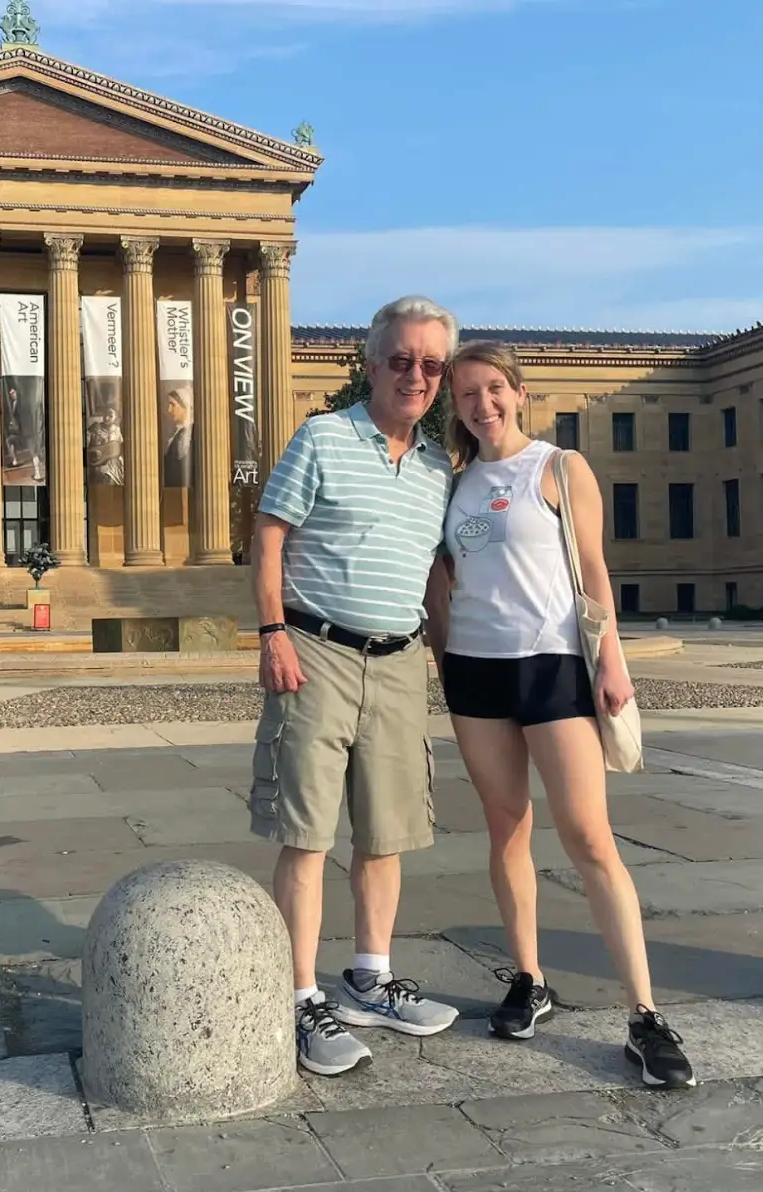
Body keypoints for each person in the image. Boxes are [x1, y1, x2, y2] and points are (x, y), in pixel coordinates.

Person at [427, 340, 696, 1090]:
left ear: (518, 392)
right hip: (478, 676)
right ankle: (529, 978)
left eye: (492, 390)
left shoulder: (560, 467)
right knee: (506, 826)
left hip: (551, 667)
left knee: (588, 836)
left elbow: (594, 567)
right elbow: (441, 584)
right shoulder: (454, 484)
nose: (481, 405)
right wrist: (447, 663)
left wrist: (612, 662)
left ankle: (644, 1014)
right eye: (467, 395)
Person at [250, 295, 461, 1077]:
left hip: (400, 661)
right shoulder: (324, 437)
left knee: (388, 830)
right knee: (307, 831)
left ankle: (368, 977)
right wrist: (272, 632)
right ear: (371, 365)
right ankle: (300, 994)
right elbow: (268, 536)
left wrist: (448, 663)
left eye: (431, 365)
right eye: (401, 360)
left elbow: (438, 576)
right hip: (316, 651)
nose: (416, 375)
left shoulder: (440, 465)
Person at [162, 389, 193, 488]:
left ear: (185, 406)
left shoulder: (189, 433)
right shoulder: (177, 432)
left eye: (173, 404)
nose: (169, 410)